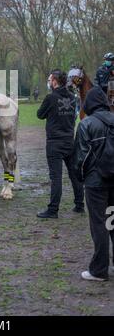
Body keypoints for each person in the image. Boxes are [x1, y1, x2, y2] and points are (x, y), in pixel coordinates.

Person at [73, 87, 114, 281]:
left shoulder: (86, 124)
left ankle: (99, 269)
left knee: (99, 224)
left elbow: (80, 158)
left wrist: (81, 179)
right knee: (112, 221)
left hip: (96, 183)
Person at [36, 69, 84, 218]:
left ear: (55, 81)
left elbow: (40, 114)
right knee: (74, 174)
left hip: (55, 143)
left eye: (50, 80)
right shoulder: (73, 97)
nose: (49, 82)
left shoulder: (50, 98)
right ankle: (79, 204)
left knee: (56, 177)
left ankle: (53, 210)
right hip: (70, 140)